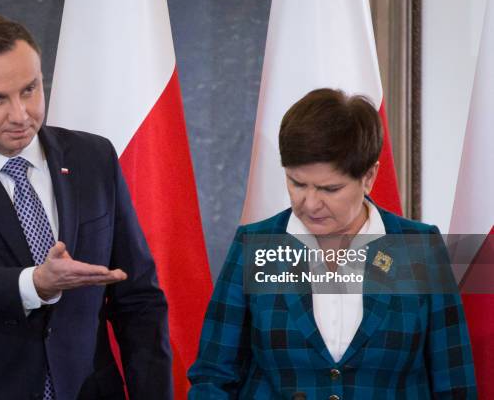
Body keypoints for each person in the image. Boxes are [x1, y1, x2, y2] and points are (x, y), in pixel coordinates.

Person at [0, 15, 171, 400]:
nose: (21, 115)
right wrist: (37, 283)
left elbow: (138, 297)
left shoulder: (94, 157)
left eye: (30, 89)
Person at [187, 88, 477, 399]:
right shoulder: (254, 246)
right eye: (297, 183)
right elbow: (214, 376)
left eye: (330, 188)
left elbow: (454, 383)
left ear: (368, 176)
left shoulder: (420, 248)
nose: (310, 203)